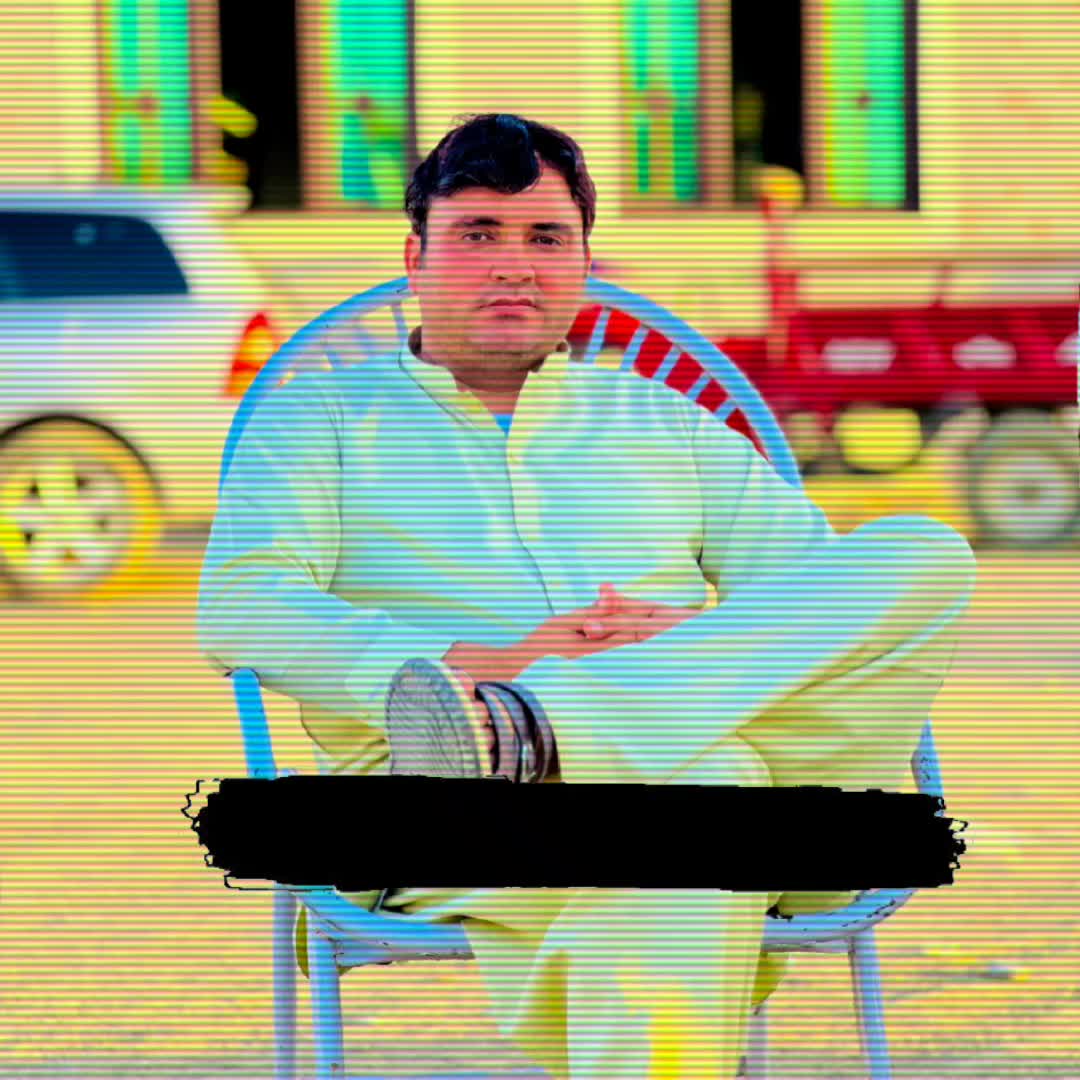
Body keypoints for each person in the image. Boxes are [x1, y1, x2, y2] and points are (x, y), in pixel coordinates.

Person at [197, 112, 976, 1078]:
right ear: (414, 258)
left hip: (769, 793)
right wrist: (489, 667)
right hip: (451, 809)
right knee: (701, 808)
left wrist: (687, 641)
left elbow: (824, 607)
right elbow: (243, 605)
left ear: (584, 263)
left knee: (922, 552)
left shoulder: (663, 417)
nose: (513, 266)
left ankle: (541, 727)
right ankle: (520, 729)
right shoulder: (319, 419)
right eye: (478, 234)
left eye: (546, 237)